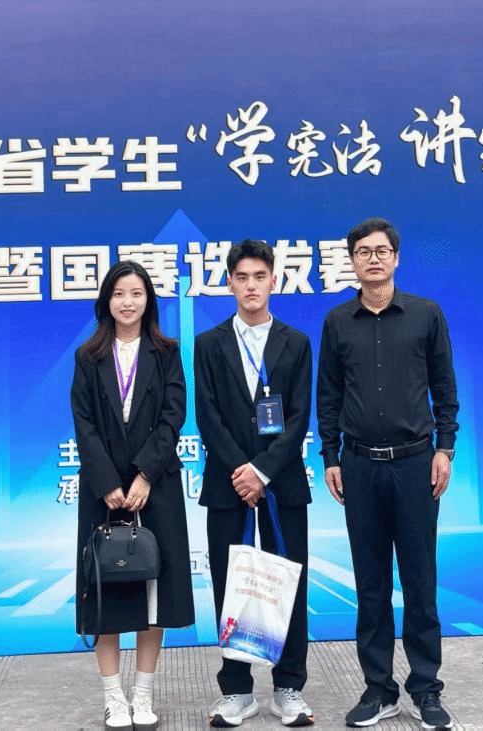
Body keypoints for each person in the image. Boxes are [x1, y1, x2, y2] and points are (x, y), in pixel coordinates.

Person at [316, 217, 459, 730]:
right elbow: (328, 395)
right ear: (352, 261)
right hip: (359, 466)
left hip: (417, 464)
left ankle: (426, 688)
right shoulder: (337, 322)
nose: (373, 259)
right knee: (371, 585)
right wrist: (330, 457)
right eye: (363, 251)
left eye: (381, 251)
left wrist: (445, 448)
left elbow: (444, 387)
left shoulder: (426, 315)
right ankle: (379, 689)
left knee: (420, 582)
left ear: (396, 258)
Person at [71, 260, 196, 731]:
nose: (128, 302)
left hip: (155, 487)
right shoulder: (88, 356)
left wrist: (145, 475)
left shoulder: (167, 352)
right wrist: (108, 483)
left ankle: (143, 695)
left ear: (149, 300)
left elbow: (173, 415)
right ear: (107, 300)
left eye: (137, 293)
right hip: (102, 491)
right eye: (119, 293)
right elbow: (83, 423)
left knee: (153, 593)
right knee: (105, 592)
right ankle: (113, 698)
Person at [194, 240, 315, 728]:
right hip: (228, 483)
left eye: (259, 277)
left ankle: (289, 688)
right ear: (230, 283)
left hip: (282, 482)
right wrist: (242, 471)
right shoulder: (209, 343)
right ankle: (237, 691)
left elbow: (299, 416)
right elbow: (208, 416)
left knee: (290, 582)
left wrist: (262, 471)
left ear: (273, 281)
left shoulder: (296, 341)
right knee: (231, 587)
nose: (251, 286)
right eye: (241, 277)